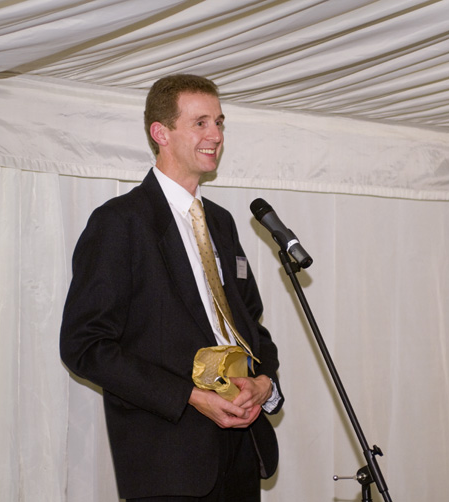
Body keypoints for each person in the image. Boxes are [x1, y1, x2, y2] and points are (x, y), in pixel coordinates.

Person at [60, 74, 283, 502]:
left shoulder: (221, 222)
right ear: (160, 133)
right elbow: (84, 344)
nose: (215, 135)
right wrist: (188, 397)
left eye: (220, 123)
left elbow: (251, 326)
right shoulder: (120, 222)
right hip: (170, 459)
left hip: (241, 452)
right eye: (200, 123)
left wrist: (264, 382)